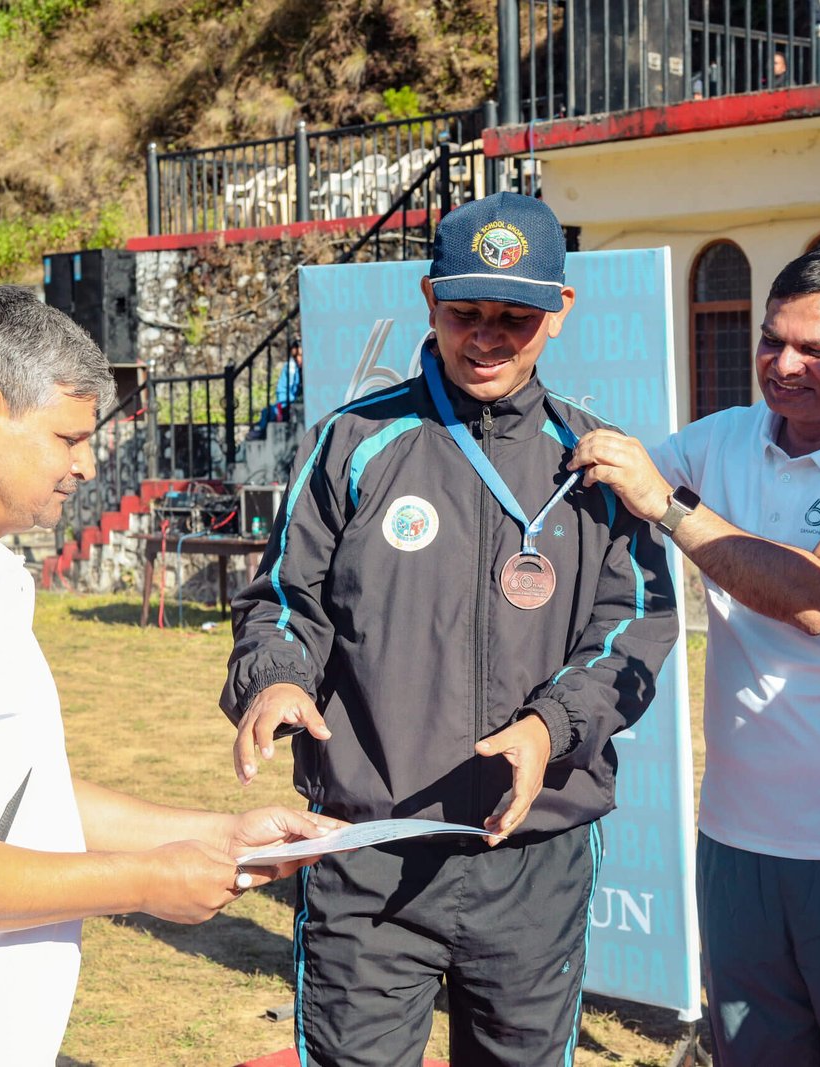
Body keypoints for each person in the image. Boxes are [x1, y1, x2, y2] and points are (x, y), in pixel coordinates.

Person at [0, 285, 341, 1066]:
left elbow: (19, 797)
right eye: (69, 436)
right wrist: (142, 881)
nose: (86, 463)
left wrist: (217, 837)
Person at [220, 191, 679, 1067]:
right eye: (467, 313)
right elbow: (283, 596)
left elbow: (631, 631)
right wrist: (277, 674)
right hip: (371, 847)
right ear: (430, 300)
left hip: (533, 853)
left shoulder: (598, 461)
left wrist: (551, 727)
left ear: (560, 311)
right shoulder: (353, 440)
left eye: (516, 318)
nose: (488, 338)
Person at [568, 244, 820, 1066]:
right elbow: (593, 496)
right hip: (738, 842)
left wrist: (670, 506)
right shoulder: (722, 438)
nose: (784, 366)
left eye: (818, 349)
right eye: (772, 340)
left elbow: (815, 599)